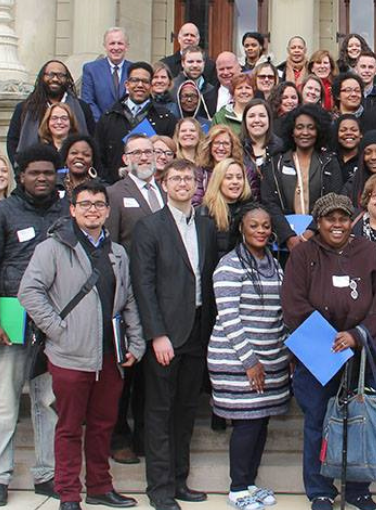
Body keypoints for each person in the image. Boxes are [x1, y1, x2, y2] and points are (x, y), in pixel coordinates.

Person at [18, 179, 146, 510]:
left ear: (107, 210)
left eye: (99, 205)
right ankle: (69, 493)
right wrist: (58, 329)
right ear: (73, 209)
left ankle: (101, 487)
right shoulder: (53, 248)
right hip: (69, 355)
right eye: (85, 204)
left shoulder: (117, 252)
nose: (93, 210)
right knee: (70, 427)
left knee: (103, 426)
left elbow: (128, 299)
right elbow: (29, 292)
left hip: (109, 354)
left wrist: (136, 340)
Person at [281, 193, 376, 510]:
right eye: (329, 218)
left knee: (361, 422)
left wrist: (357, 335)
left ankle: (359, 490)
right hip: (319, 355)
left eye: (343, 218)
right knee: (318, 422)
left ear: (352, 222)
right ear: (318, 223)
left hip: (364, 355)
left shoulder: (370, 252)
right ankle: (320, 490)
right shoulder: (303, 254)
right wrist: (332, 341)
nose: (337, 224)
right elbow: (293, 304)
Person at [0, 144, 68, 506]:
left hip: (53, 323)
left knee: (48, 401)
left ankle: (46, 472)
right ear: (22, 175)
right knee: (4, 403)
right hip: (11, 320)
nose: (42, 178)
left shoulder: (65, 211)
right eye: (35, 173)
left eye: (48, 172)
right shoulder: (1, 214)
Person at [131, 159, 218, 510]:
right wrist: (156, 334)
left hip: (199, 329)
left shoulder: (207, 226)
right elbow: (143, 284)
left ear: (197, 184)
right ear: (163, 184)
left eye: (190, 177)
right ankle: (160, 489)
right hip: (166, 334)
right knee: (159, 412)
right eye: (176, 178)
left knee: (185, 410)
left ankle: (180, 480)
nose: (183, 183)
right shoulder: (148, 227)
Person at [208, 205, 291, 510]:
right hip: (237, 359)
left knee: (261, 423)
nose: (261, 231)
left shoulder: (274, 264)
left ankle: (251, 483)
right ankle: (237, 487)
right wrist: (250, 361)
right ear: (241, 228)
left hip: (270, 358)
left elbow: (281, 313)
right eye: (253, 225)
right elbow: (229, 318)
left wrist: (285, 351)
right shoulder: (229, 265)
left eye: (266, 226)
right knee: (246, 424)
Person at [104, 135, 166, 464]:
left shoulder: (165, 191)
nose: (144, 157)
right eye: (137, 152)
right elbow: (110, 246)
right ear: (126, 158)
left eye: (149, 151)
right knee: (124, 373)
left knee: (150, 377)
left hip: (159, 295)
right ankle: (118, 437)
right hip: (127, 296)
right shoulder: (115, 194)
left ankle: (144, 435)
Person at [260, 104, 344, 250]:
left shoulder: (329, 162)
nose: (305, 132)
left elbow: (334, 199)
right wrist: (288, 235)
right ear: (292, 131)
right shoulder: (276, 163)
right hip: (284, 244)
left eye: (311, 127)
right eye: (299, 127)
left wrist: (311, 231)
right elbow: (269, 202)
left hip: (321, 240)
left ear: (318, 131)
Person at [95, 61, 178, 183]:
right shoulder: (108, 118)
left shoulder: (166, 118)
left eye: (145, 81)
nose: (140, 85)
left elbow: (172, 157)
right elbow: (99, 157)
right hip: (113, 187)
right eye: (135, 80)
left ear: (151, 86)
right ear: (127, 84)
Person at [200, 159, 256, 259]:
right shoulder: (204, 213)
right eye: (229, 178)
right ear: (218, 181)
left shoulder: (252, 211)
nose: (235, 182)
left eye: (239, 177)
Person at [80, 27, 133, 122]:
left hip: (129, 127)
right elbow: (88, 101)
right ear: (105, 46)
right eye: (112, 43)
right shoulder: (91, 69)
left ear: (127, 46)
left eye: (120, 43)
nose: (116, 48)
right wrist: (103, 123)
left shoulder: (134, 70)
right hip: (100, 127)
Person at [241, 98, 281, 169]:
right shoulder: (237, 148)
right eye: (251, 116)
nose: (257, 120)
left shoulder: (280, 148)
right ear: (245, 121)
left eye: (262, 116)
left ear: (269, 119)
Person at [333, 114, 363, 182]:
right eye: (343, 130)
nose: (348, 133)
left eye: (354, 130)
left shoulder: (365, 160)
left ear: (361, 134)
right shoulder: (329, 159)